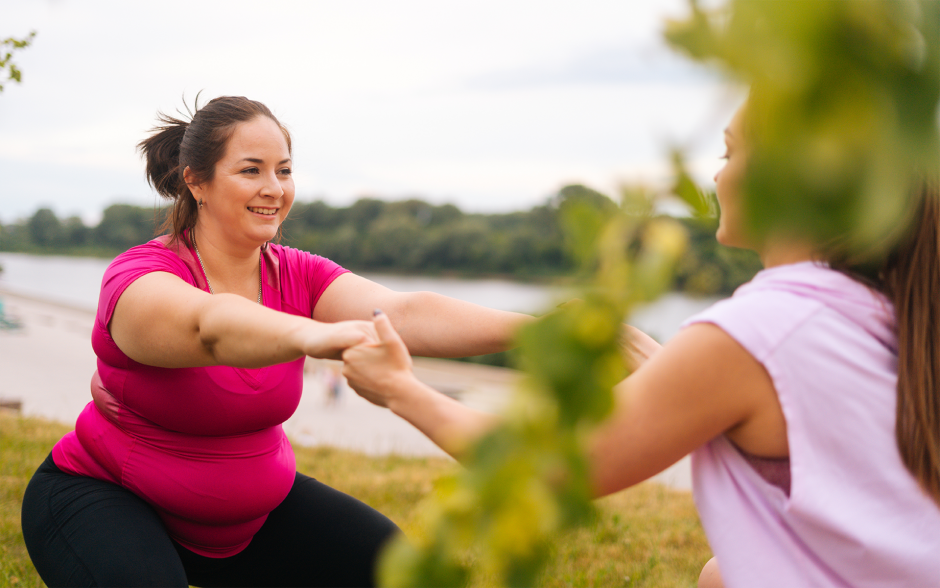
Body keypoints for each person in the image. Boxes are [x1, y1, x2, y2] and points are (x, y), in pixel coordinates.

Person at [341, 104, 940, 587]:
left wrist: (400, 388)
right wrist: (640, 348)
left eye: (730, 153)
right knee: (719, 576)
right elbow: (747, 398)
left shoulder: (759, 330)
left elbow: (547, 470)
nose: (715, 174)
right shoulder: (880, 305)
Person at [20, 96, 532, 588]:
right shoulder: (140, 277)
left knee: (395, 568)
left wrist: (545, 328)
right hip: (103, 497)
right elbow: (210, 327)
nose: (274, 188)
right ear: (196, 181)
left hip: (248, 524)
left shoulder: (299, 274)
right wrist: (315, 334)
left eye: (284, 170)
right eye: (251, 170)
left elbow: (404, 312)